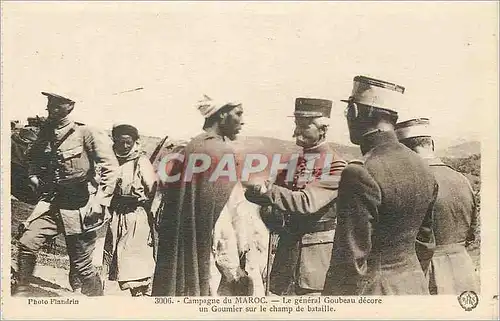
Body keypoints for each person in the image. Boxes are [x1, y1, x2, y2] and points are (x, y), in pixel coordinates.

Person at [322, 76, 438, 295]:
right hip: (414, 287)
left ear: (355, 111)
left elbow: (349, 263)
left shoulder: (360, 172)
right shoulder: (423, 167)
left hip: (375, 294)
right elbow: (425, 244)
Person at [14, 92, 119, 297]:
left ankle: (97, 299)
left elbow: (111, 167)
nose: (49, 107)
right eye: (49, 102)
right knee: (28, 241)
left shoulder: (85, 133)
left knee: (82, 266)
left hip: (81, 208)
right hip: (54, 204)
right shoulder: (46, 132)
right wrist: (34, 176)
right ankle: (22, 290)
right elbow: (32, 159)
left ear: (69, 106)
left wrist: (100, 201)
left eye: (55, 104)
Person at [243, 98, 347, 295]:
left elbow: (307, 203)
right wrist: (253, 188)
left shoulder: (336, 165)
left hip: (314, 263)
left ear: (322, 128)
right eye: (295, 126)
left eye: (303, 127)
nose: (295, 133)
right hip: (286, 256)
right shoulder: (296, 162)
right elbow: (266, 193)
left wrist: (265, 190)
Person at [152, 95, 250, 296]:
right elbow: (225, 214)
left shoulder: (192, 146)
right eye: (238, 113)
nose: (242, 120)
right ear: (222, 114)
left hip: (186, 242)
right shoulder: (220, 151)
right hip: (212, 244)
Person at [395, 117, 480, 294]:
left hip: (429, 273)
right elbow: (471, 232)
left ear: (404, 149)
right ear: (431, 144)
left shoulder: (411, 182)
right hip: (464, 271)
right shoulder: (463, 180)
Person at [105, 123, 158, 296]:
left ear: (135, 141)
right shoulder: (110, 161)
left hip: (136, 216)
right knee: (118, 256)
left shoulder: (141, 162)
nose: (125, 146)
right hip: (115, 215)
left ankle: (142, 292)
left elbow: (153, 190)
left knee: (136, 257)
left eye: (129, 142)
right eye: (121, 142)